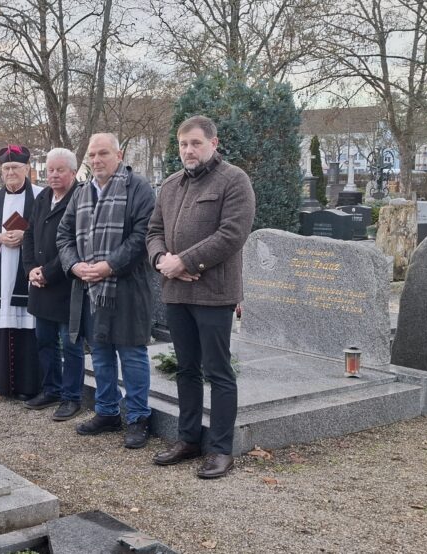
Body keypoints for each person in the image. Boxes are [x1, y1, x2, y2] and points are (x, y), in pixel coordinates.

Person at [147, 115, 254, 479]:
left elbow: (232, 233)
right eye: (182, 144)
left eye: (195, 143)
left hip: (214, 293)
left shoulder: (233, 180)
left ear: (213, 143)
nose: (188, 150)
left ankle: (221, 448)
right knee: (186, 368)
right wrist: (162, 260)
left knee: (218, 371)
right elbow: (154, 231)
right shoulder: (171, 185)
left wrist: (186, 261)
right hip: (176, 292)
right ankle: (188, 438)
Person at [57, 133, 156, 449]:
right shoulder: (82, 192)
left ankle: (139, 417)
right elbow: (64, 236)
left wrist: (108, 266)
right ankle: (108, 411)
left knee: (132, 355)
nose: (97, 160)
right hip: (89, 288)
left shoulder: (137, 188)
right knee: (99, 354)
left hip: (127, 287)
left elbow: (143, 236)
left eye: (103, 153)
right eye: (92, 155)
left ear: (119, 153)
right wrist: (74, 265)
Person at [0, 144, 43, 399]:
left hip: (30, 273)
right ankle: (2, 384)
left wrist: (28, 235)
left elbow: (50, 231)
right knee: (3, 328)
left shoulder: (41, 195)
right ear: (1, 171)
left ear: (27, 168)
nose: (11, 172)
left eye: (15, 167)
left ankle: (30, 386)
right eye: (6, 168)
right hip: (1, 272)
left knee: (30, 329)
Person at [21, 148, 84, 421]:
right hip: (39, 283)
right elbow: (29, 234)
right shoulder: (43, 197)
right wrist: (30, 270)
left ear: (72, 172)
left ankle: (72, 397)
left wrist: (49, 272)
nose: (54, 175)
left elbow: (78, 243)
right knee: (44, 341)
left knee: (71, 345)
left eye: (60, 170)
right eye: (50, 170)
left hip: (66, 284)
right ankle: (51, 389)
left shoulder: (80, 198)